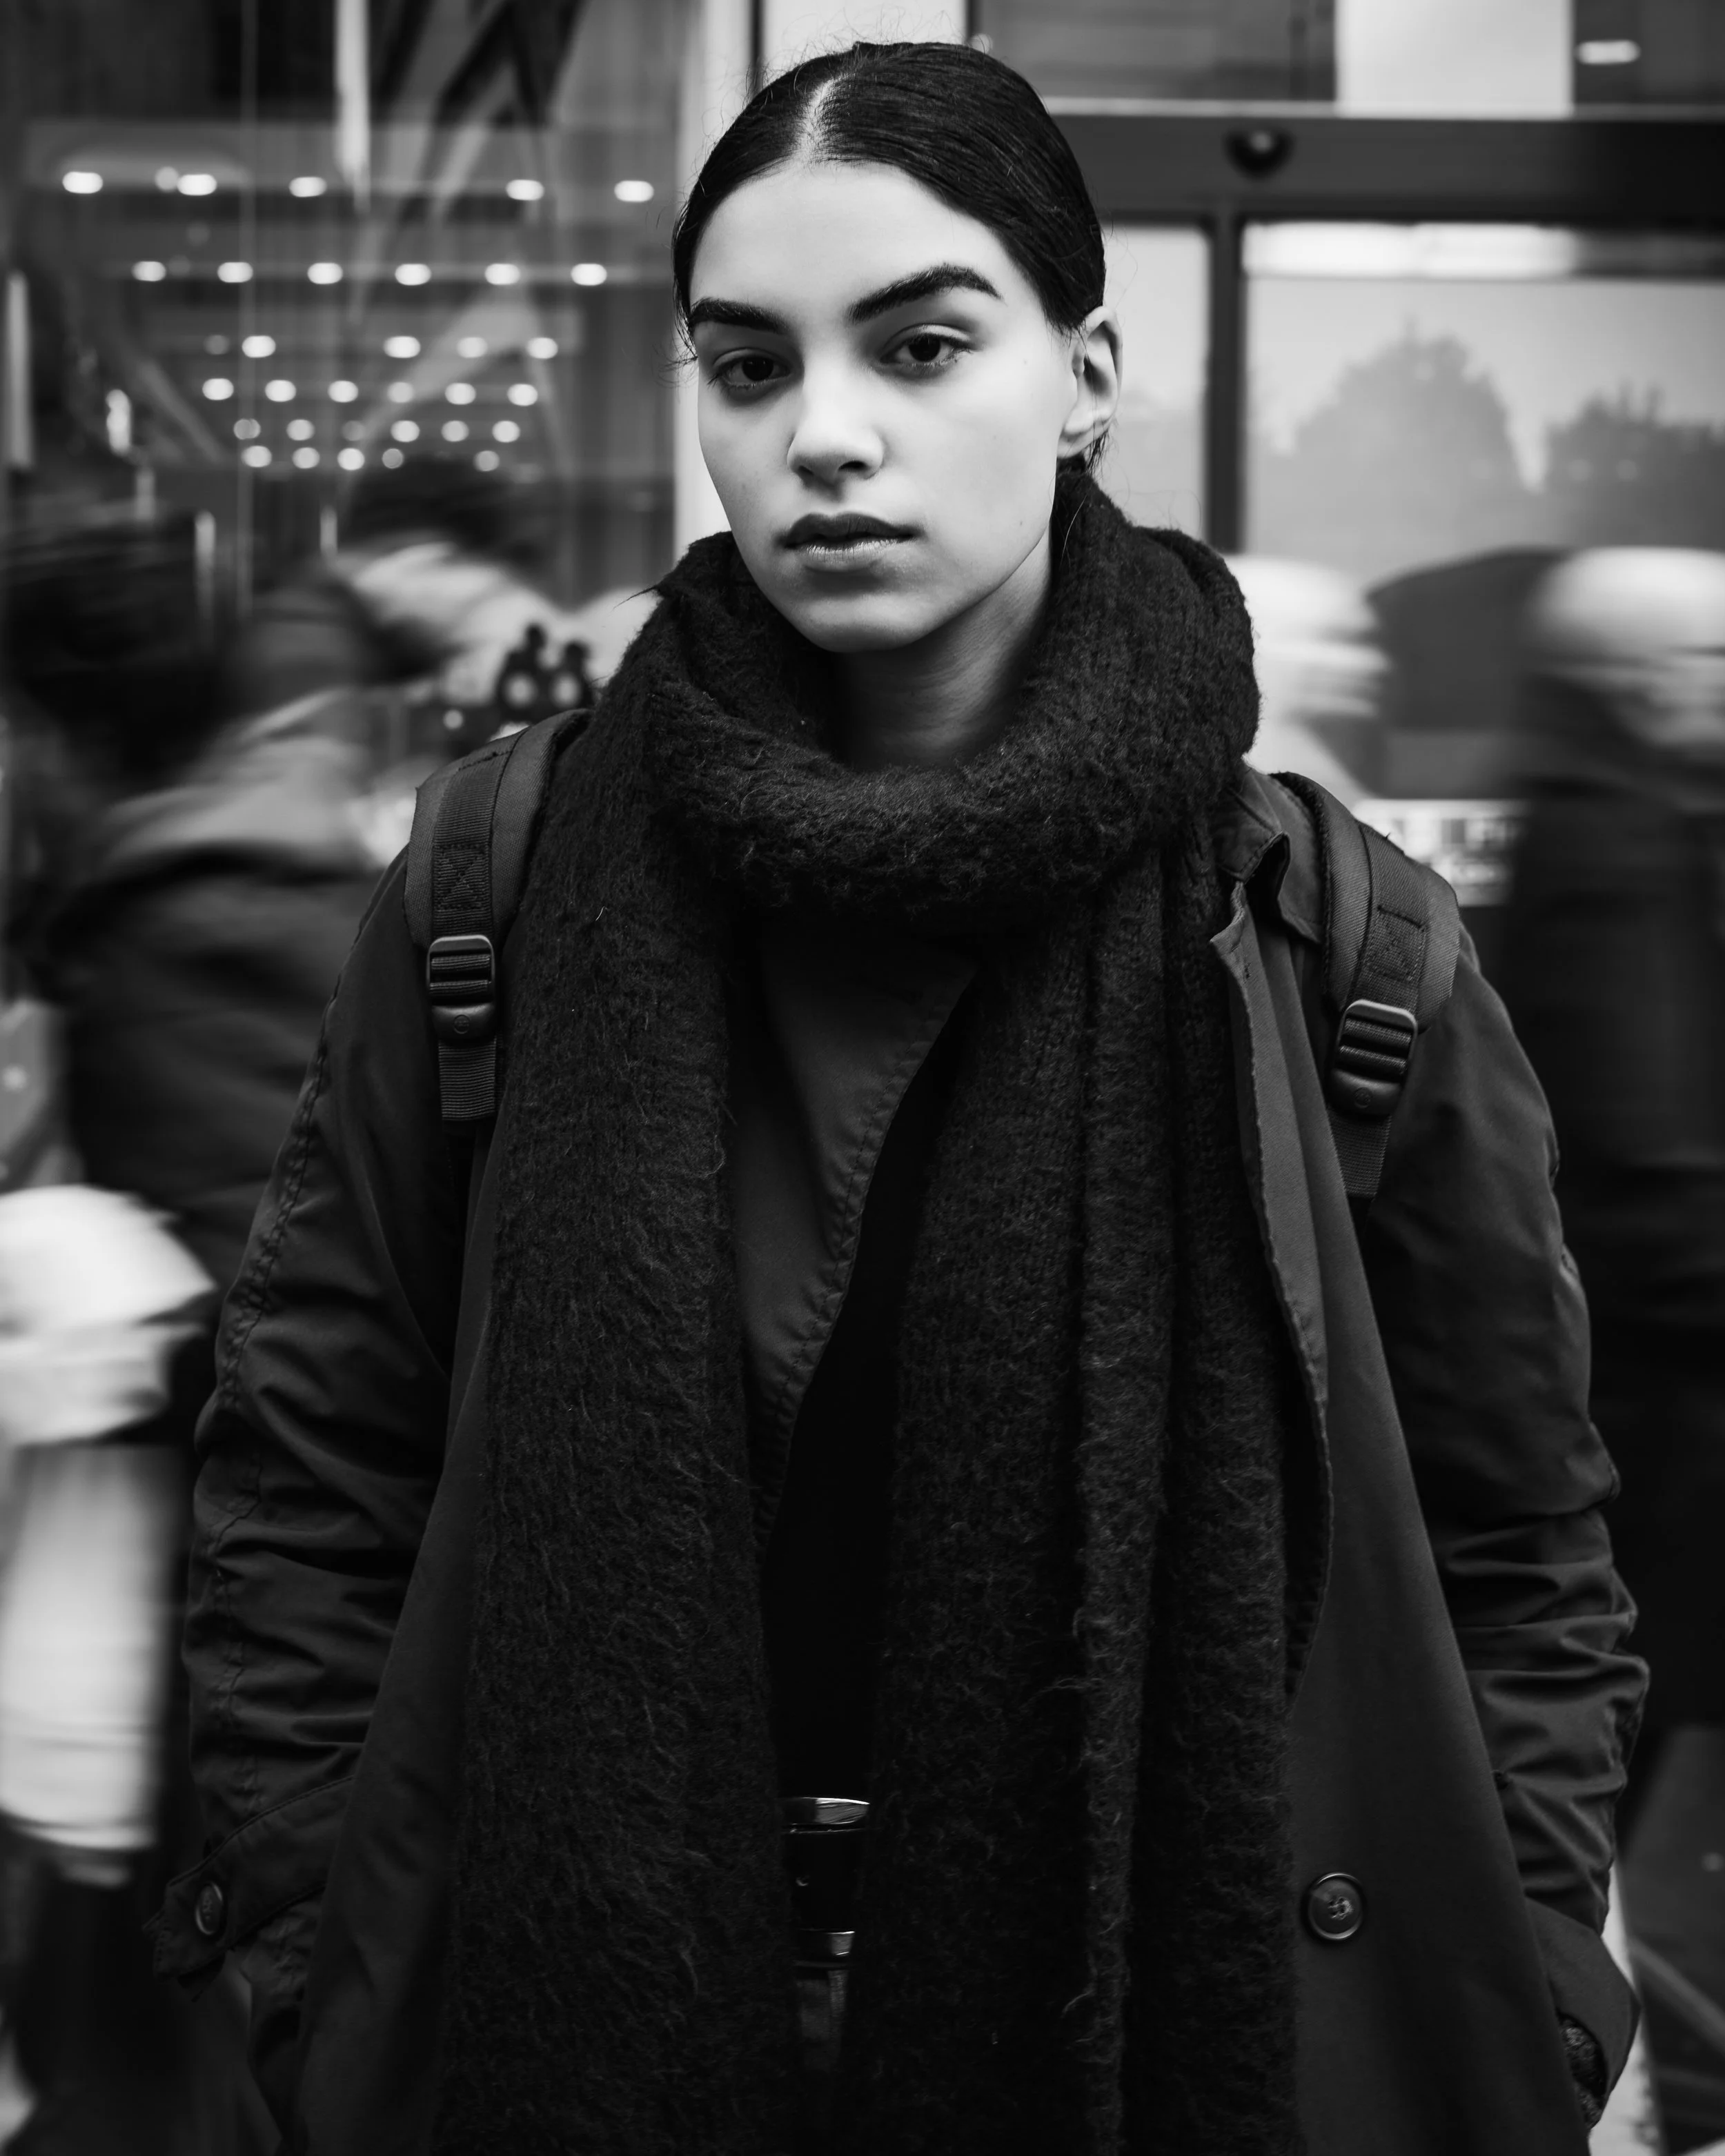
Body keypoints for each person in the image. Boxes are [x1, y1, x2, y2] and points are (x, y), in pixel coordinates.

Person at [156, 43, 1642, 2156]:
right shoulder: (499, 886)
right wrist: (320, 1973)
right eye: (745, 367)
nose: (822, 436)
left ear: (1083, 371)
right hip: (569, 2019)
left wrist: (1526, 1980)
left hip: (1157, 2023)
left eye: (923, 342)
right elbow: (312, 1474)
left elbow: (1515, 1542)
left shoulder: (1327, 939)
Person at [1501, 548, 1725, 1821]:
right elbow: (1653, 1161)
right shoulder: (1621, 851)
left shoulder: (1592, 821)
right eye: (1708, 662)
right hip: (1651, 1402)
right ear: (1638, 677)